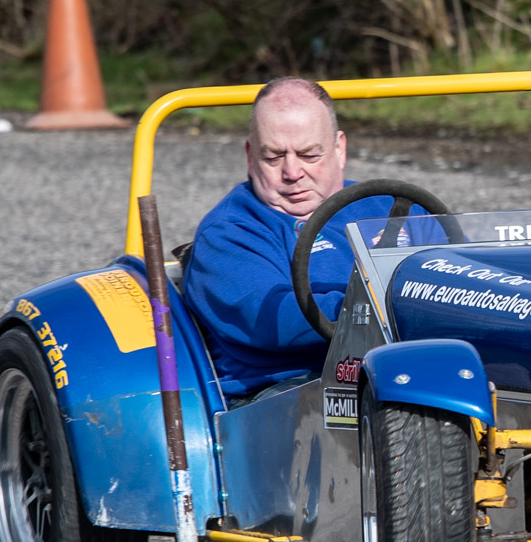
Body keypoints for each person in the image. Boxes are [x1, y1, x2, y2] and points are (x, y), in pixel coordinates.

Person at [183, 77, 439, 396]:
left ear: (339, 149)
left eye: (308, 155)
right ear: (250, 155)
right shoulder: (227, 234)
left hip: (404, 369)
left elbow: (465, 271)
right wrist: (387, 301)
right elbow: (271, 318)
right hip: (286, 392)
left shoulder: (396, 209)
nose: (292, 172)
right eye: (273, 157)